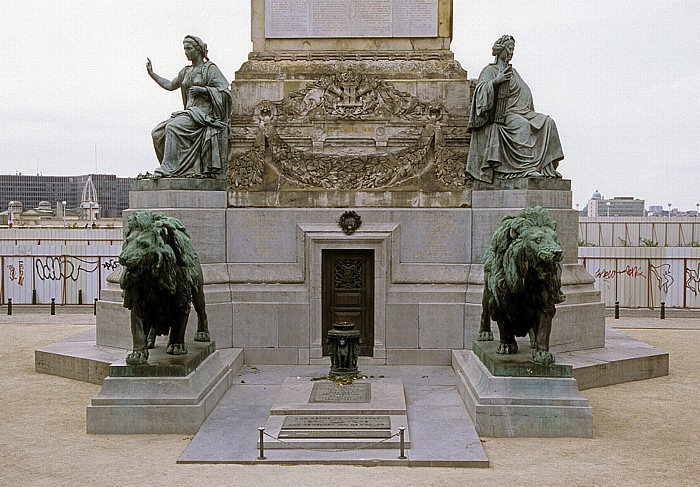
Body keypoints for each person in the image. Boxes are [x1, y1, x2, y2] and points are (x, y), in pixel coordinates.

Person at [466, 35, 564, 184]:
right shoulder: (489, 70)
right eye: (509, 49)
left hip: (521, 110)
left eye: (513, 49)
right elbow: (480, 91)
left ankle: (546, 168)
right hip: (505, 114)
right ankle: (525, 168)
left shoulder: (513, 72)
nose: (511, 52)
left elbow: (525, 93)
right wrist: (496, 82)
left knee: (548, 122)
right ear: (501, 50)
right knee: (522, 125)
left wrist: (527, 111)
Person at [146, 36, 231, 179]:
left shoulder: (210, 69)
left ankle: (169, 168)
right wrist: (152, 74)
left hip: (204, 114)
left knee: (172, 128)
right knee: (157, 133)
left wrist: (204, 90)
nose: (186, 52)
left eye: (189, 48)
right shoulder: (185, 71)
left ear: (198, 50)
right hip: (189, 113)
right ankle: (175, 169)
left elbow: (225, 92)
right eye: (184, 49)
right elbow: (170, 85)